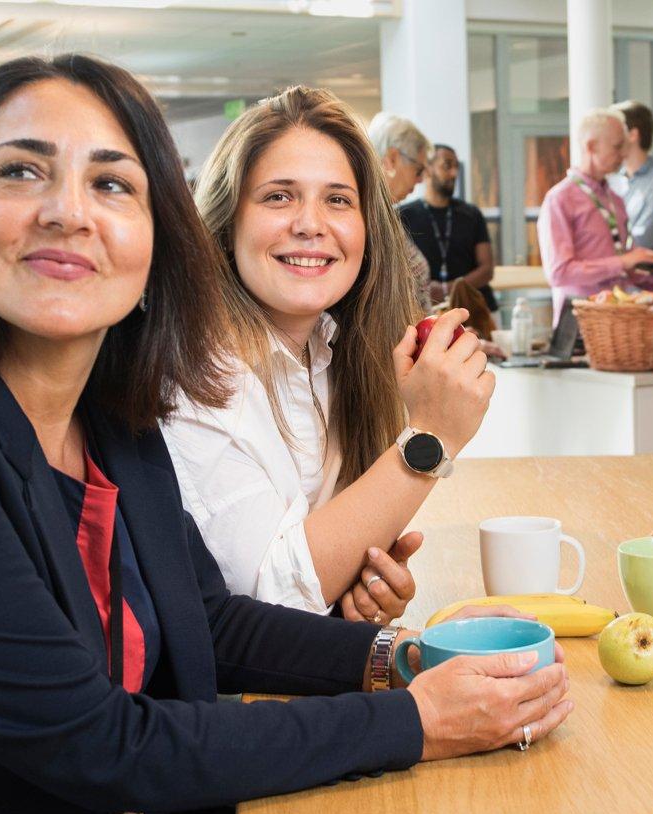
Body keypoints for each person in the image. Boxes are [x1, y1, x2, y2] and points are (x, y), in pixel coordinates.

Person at [0, 56, 572, 814]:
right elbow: (99, 743)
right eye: (20, 170)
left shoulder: (110, 414)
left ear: (159, 239)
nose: (67, 211)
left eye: (112, 185)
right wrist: (417, 719)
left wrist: (398, 657)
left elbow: (210, 619)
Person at [163, 86, 495, 624]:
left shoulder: (332, 351)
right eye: (279, 196)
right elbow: (265, 605)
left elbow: (311, 588)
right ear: (226, 228)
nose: (311, 224)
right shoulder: (196, 377)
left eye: (338, 199)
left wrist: (356, 593)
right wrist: (430, 437)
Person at [536, 108, 653, 326]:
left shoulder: (615, 198)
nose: (624, 154)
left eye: (625, 146)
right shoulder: (559, 199)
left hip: (616, 321)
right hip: (579, 325)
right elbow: (560, 273)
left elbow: (621, 265)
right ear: (591, 146)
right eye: (617, 147)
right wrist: (622, 262)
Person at [398, 144, 497, 310]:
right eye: (447, 165)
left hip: (477, 309)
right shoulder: (402, 216)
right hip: (427, 312)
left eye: (456, 167)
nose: (454, 173)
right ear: (427, 169)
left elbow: (487, 270)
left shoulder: (472, 214)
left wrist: (447, 289)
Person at [367, 111, 433, 308]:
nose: (421, 179)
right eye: (418, 170)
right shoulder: (367, 218)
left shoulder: (382, 215)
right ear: (392, 159)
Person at [608, 100, 653, 256]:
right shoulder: (611, 181)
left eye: (617, 132)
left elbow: (642, 241)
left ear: (633, 135)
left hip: (644, 278)